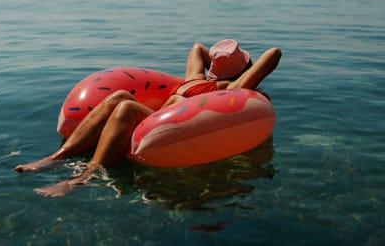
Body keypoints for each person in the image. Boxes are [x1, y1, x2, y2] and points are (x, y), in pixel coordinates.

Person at [15, 40, 281, 197]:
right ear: (245, 71)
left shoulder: (196, 79)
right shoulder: (231, 88)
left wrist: (223, 61)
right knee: (119, 96)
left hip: (158, 126)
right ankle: (57, 158)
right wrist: (241, 67)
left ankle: (83, 176)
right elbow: (274, 54)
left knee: (126, 106)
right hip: (155, 124)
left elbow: (198, 48)